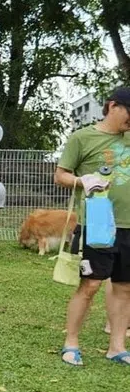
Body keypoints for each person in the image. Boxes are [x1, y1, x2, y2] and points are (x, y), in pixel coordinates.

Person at [54, 85, 130, 367]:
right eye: (129, 112)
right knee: (91, 284)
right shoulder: (82, 138)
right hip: (98, 222)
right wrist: (81, 181)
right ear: (112, 106)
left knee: (124, 287)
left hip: (129, 225)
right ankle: (71, 342)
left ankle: (117, 347)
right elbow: (60, 175)